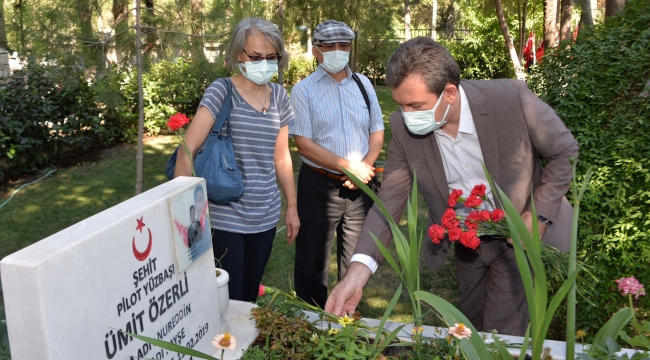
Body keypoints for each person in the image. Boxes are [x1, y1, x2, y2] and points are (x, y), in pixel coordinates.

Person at [324, 37, 578, 336]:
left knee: (500, 334)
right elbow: (389, 200)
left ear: (450, 93)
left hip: (518, 239)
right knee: (468, 327)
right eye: (401, 105)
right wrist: (357, 273)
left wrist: (539, 216)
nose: (406, 115)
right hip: (467, 243)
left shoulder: (511, 99)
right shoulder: (406, 129)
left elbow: (564, 152)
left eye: (415, 105)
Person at [174, 18, 300, 302]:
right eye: (255, 57)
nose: (263, 64)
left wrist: (291, 207)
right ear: (238, 55)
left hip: (265, 216)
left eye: (271, 57)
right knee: (226, 301)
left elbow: (281, 156)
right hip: (225, 216)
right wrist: (186, 218)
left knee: (249, 296)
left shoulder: (279, 95)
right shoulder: (222, 90)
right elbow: (187, 150)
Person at [290, 20, 384, 309]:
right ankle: (310, 324)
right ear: (316, 50)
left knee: (356, 261)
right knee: (311, 262)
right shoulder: (303, 90)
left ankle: (345, 327)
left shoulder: (364, 84)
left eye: (343, 45)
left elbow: (377, 130)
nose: (337, 51)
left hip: (360, 186)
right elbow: (303, 143)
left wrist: (364, 168)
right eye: (329, 46)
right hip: (319, 186)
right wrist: (348, 167)